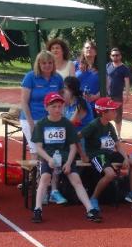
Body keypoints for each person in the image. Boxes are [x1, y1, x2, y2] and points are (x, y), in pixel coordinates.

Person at [30, 92, 101, 223]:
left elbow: (73, 146)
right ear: (46, 107)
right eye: (54, 107)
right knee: (44, 178)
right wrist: (49, 159)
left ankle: (90, 209)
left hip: (65, 157)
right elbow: (38, 148)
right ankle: (37, 209)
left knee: (76, 180)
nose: (57, 109)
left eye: (59, 106)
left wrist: (68, 163)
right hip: (48, 157)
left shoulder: (67, 124)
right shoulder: (41, 124)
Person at [79, 97, 130, 210]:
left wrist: (125, 157)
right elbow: (76, 138)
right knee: (110, 174)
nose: (116, 112)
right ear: (103, 113)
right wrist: (83, 155)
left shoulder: (110, 126)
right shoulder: (93, 125)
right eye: (112, 110)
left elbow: (117, 144)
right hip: (97, 155)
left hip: (109, 153)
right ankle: (94, 198)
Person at [19, 51, 63, 156]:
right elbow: (24, 101)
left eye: (50, 62)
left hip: (51, 120)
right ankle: (35, 168)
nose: (47, 65)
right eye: (44, 63)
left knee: (52, 151)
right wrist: (31, 124)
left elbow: (62, 99)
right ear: (38, 64)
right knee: (36, 152)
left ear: (53, 63)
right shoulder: (30, 77)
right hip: (32, 118)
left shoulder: (58, 78)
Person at [106, 47, 131, 136]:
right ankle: (107, 133)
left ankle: (118, 135)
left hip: (117, 96)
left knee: (118, 116)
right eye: (113, 55)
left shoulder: (124, 68)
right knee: (105, 114)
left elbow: (127, 82)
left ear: (120, 56)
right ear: (110, 56)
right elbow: (105, 79)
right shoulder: (107, 66)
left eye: (117, 55)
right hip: (107, 95)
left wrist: (127, 95)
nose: (115, 57)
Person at [75, 40, 100, 105]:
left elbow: (107, 87)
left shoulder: (101, 67)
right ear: (83, 51)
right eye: (87, 47)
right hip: (78, 104)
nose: (89, 49)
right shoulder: (75, 65)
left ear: (96, 52)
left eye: (92, 48)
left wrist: (95, 97)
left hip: (96, 104)